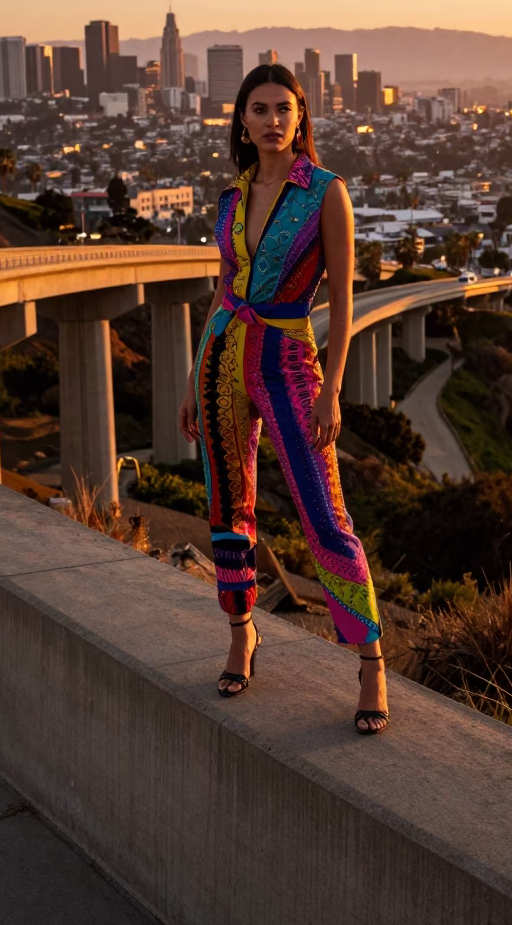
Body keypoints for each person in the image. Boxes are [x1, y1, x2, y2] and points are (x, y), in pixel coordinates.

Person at [178, 64, 388, 735]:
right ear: (240, 120)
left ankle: (370, 661)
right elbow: (223, 288)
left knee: (323, 511)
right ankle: (241, 633)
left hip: (291, 362)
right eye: (259, 108)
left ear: (301, 118)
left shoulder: (326, 193)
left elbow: (346, 302)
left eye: (284, 109)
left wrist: (332, 387)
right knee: (226, 504)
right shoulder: (231, 197)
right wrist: (193, 376)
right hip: (222, 357)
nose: (272, 119)